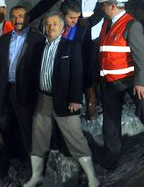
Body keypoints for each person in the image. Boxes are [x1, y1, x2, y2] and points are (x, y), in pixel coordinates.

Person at [23, 12, 99, 187]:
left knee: (75, 137)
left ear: (62, 27)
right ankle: (36, 176)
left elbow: (77, 74)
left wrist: (75, 99)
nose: (50, 27)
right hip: (43, 99)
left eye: (55, 24)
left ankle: (92, 177)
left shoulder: (71, 47)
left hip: (65, 100)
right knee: (38, 137)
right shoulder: (38, 47)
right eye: (48, 24)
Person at [27, 0, 105, 118]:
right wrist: (30, 15)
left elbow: (101, 9)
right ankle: (65, 99)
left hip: (90, 32)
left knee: (90, 65)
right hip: (70, 30)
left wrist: (89, 21)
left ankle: (91, 101)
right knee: (68, 63)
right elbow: (49, 0)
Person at [97, 0, 144, 170]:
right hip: (109, 82)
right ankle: (111, 158)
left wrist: (140, 82)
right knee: (110, 122)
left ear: (112, 5)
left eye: (104, 5)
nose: (102, 8)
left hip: (129, 79)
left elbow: (140, 56)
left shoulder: (131, 25)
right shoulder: (105, 24)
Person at [0, 5, 44, 170]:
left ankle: (33, 167)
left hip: (26, 92)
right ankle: (3, 164)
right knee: (4, 127)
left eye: (21, 16)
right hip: (6, 90)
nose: (17, 20)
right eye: (13, 16)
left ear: (27, 18)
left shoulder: (37, 39)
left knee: (27, 129)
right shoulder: (4, 39)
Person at [60, 0, 99, 119]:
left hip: (77, 68)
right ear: (61, 14)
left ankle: (91, 108)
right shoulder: (51, 24)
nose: (75, 21)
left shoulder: (83, 28)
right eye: (71, 18)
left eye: (77, 17)